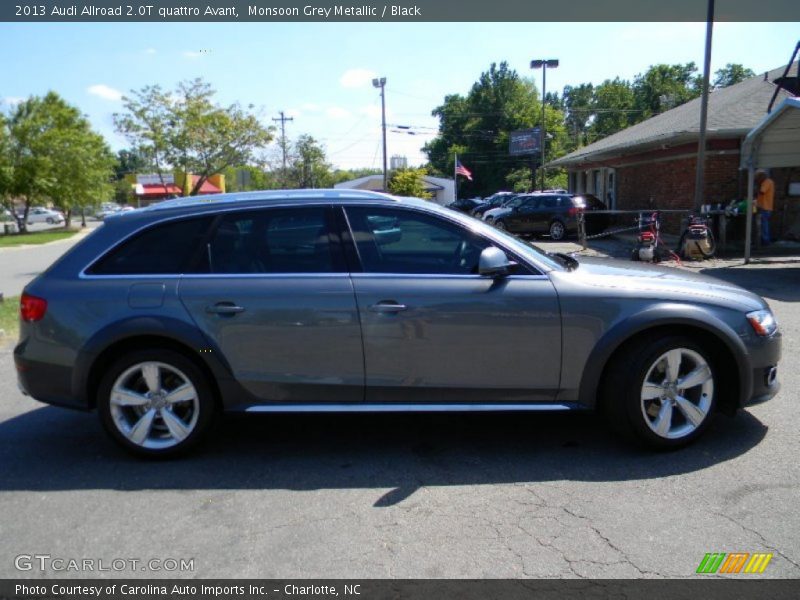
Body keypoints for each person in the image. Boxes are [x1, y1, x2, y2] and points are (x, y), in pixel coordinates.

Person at [755, 169, 775, 245]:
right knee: (764, 224)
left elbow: (762, 192)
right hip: (765, 207)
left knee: (764, 225)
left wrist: (757, 187)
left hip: (765, 207)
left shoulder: (766, 182)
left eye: (758, 178)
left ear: (761, 177)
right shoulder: (769, 182)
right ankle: (765, 239)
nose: (757, 180)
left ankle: (765, 240)